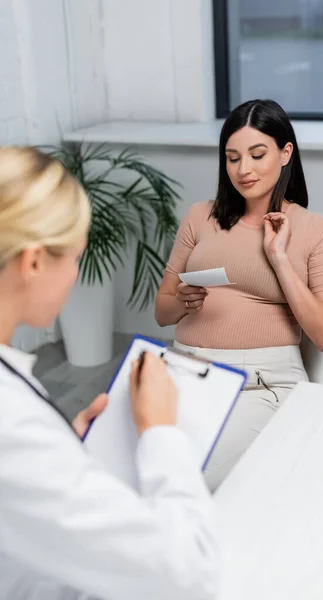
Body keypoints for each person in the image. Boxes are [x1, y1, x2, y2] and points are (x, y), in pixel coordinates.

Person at [0, 147, 219, 600]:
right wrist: (160, 431)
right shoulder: (12, 427)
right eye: (75, 258)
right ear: (35, 261)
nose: (77, 274)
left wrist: (62, 450)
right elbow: (188, 572)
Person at [155, 99, 323, 492]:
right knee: (135, 468)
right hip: (184, 372)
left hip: (259, 382)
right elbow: (162, 311)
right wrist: (183, 301)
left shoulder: (317, 230)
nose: (244, 170)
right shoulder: (200, 216)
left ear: (285, 152)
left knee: (192, 482)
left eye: (257, 155)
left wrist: (278, 258)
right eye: (232, 158)